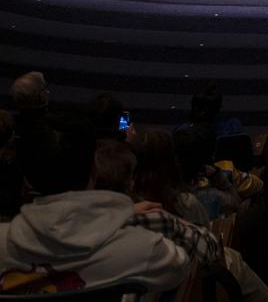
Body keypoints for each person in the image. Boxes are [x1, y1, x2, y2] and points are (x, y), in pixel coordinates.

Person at [0, 116, 192, 292]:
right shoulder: (147, 250)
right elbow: (182, 266)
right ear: (94, 172)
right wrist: (124, 217)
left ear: (27, 180)